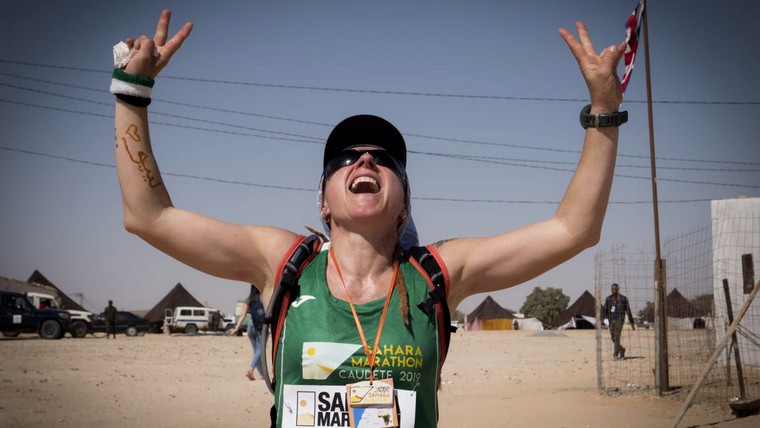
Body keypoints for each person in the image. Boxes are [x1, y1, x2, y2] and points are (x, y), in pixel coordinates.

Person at [113, 10, 626, 427]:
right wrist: (132, 93)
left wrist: (603, 112)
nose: (364, 161)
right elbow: (149, 217)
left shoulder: (439, 274)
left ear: (404, 201)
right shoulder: (281, 260)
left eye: (384, 158)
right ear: (323, 199)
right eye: (345, 158)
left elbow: (573, 229)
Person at [231, 285, 265, 381]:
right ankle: (251, 369)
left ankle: (262, 374)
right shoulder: (263, 297)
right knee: (260, 350)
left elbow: (243, 315)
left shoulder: (248, 300)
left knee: (256, 351)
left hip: (251, 324)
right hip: (261, 326)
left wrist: (236, 328)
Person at [603, 283, 635, 360]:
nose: (613, 290)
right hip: (611, 320)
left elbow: (628, 311)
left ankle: (615, 354)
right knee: (613, 337)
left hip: (619, 320)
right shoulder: (608, 299)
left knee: (617, 337)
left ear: (618, 289)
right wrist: (603, 319)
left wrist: (632, 323)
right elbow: (604, 310)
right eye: (612, 289)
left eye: (615, 289)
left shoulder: (624, 299)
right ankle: (621, 349)